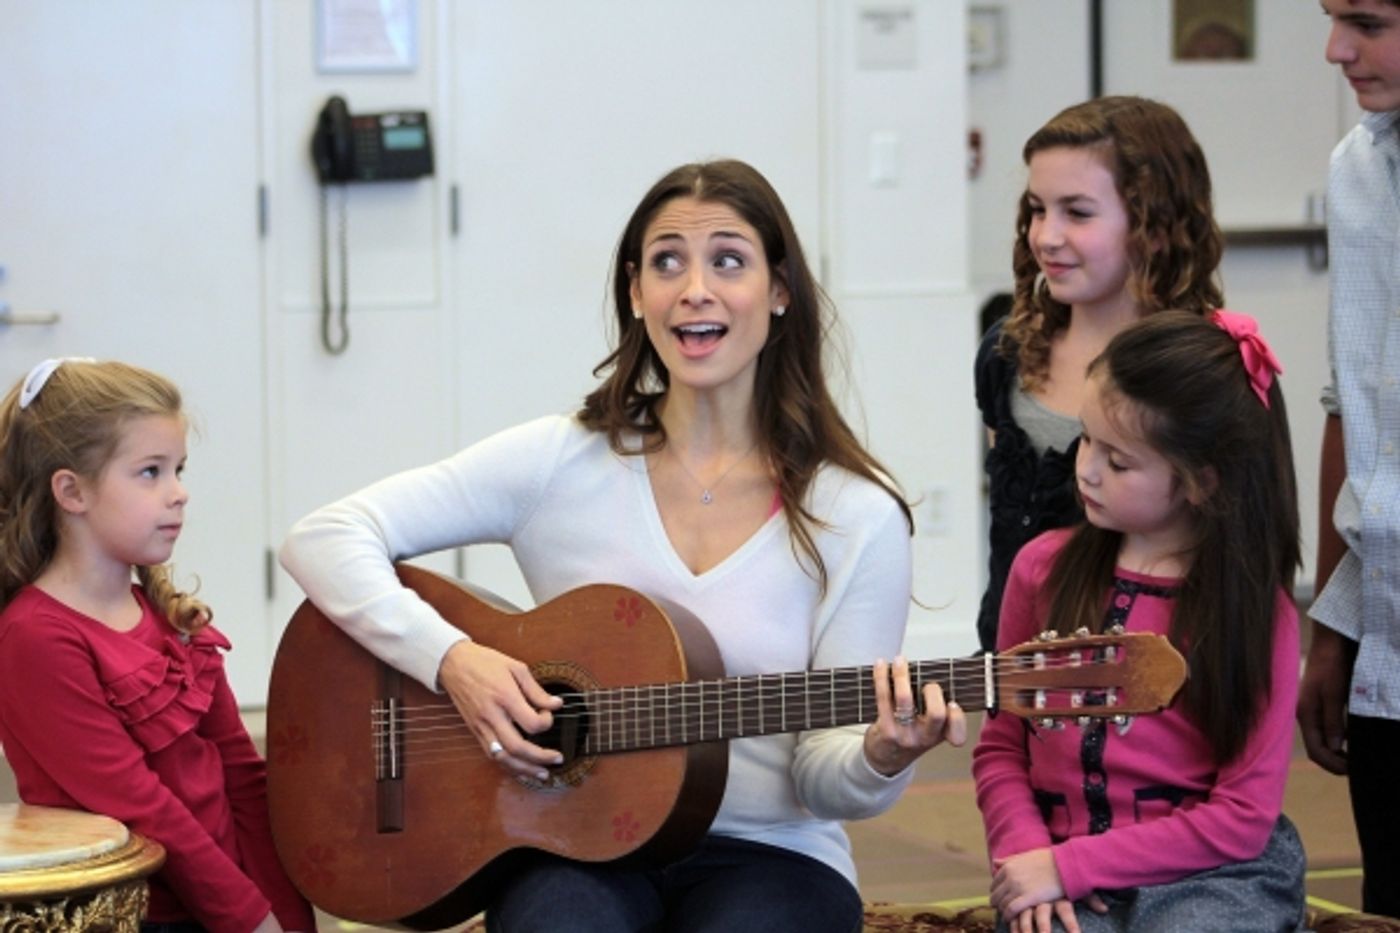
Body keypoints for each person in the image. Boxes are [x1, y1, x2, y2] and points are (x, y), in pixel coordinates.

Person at [280, 159, 968, 933]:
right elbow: (322, 537)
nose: (694, 288)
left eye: (728, 260)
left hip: (773, 850)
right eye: (667, 261)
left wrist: (880, 754)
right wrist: (451, 659)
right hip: (572, 839)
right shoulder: (560, 460)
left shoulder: (855, 513)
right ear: (636, 293)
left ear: (779, 291)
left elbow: (824, 780)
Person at [973, 311, 1305, 933]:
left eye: (1119, 462)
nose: (1087, 469)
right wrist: (1028, 858)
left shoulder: (1260, 616)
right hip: (1056, 860)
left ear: (1201, 482)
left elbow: (1241, 817)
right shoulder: (1039, 570)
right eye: (1087, 439)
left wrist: (1077, 865)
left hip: (1217, 876)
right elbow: (1001, 747)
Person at [0, 359, 315, 933]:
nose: (180, 494)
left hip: (228, 906)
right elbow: (142, 807)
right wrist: (250, 920)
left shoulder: (171, 621)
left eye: (179, 469)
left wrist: (289, 917)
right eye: (151, 472)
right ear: (72, 491)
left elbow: (243, 778)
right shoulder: (36, 638)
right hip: (140, 916)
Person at [974, 96, 1224, 655]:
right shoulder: (1006, 352)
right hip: (1015, 659)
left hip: (1140, 678)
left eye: (1078, 213)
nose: (1047, 236)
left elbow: (1244, 557)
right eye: (1038, 209)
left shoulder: (1204, 371)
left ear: (1155, 227)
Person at [1298, 0, 1400, 919]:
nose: (1336, 50)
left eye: (1370, 21)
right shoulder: (1359, 171)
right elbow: (1353, 414)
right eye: (1332, 17)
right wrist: (1332, 626)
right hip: (1383, 629)